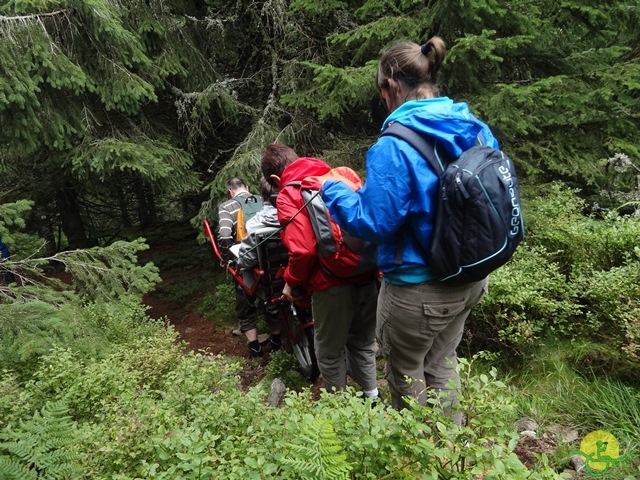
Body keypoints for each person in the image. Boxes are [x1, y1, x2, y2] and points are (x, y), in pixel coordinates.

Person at [320, 37, 493, 421]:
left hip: (418, 288)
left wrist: (333, 188)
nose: (382, 97)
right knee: (441, 360)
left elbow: (374, 223)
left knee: (405, 371)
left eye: (380, 89)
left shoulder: (394, 145)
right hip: (470, 277)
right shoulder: (473, 127)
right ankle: (453, 448)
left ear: (391, 86)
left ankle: (416, 456)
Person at [261, 144, 380, 399]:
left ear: (274, 179)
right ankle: (373, 397)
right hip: (367, 271)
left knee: (328, 350)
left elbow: (303, 250)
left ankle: (341, 412)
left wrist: (290, 283)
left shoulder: (289, 194)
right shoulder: (341, 175)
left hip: (331, 284)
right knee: (363, 344)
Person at [217, 177, 273, 358]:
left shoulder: (227, 207)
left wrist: (225, 259)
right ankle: (278, 341)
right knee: (272, 296)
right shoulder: (262, 200)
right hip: (272, 257)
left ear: (230, 191)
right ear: (247, 188)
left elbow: (225, 236)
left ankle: (255, 348)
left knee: (245, 301)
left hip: (245, 260)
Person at [236, 177, 283, 353]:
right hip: (296, 275)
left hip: (270, 283)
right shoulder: (298, 215)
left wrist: (239, 259)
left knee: (244, 285)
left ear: (262, 196)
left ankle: (254, 345)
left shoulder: (255, 224)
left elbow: (247, 259)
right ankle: (278, 338)